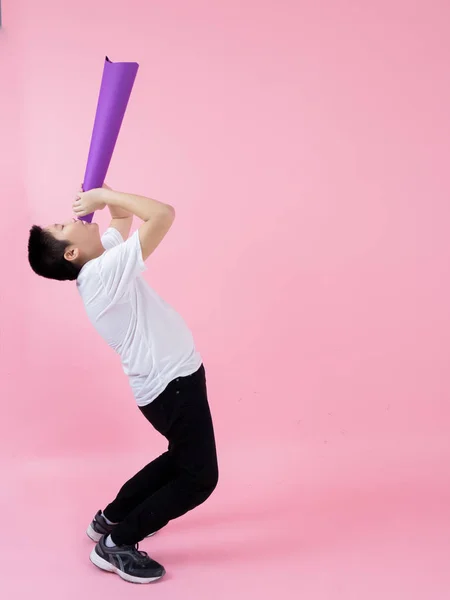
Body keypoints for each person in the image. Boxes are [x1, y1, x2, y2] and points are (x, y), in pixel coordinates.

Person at [27, 185, 218, 584]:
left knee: (181, 459)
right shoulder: (99, 275)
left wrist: (102, 193)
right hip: (172, 385)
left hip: (172, 382)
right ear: (71, 254)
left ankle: (110, 518)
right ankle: (115, 545)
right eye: (64, 225)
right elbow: (162, 215)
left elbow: (121, 219)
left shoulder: (101, 261)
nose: (75, 219)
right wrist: (105, 194)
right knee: (200, 477)